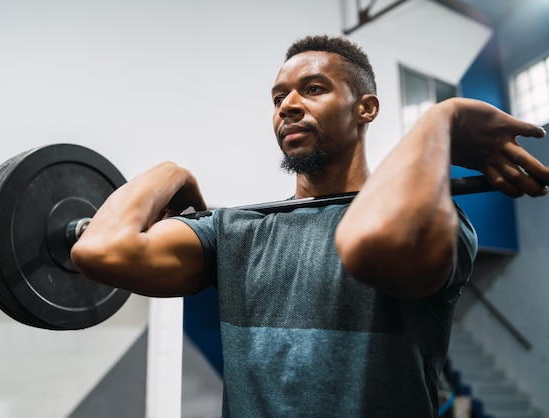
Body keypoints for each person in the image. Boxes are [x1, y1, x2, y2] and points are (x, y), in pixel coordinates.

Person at [70, 35, 549, 417]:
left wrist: (439, 120)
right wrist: (169, 172)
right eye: (279, 97)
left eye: (313, 89)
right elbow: (100, 251)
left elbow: (373, 241)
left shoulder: (435, 225)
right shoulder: (235, 232)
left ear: (367, 108)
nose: (288, 106)